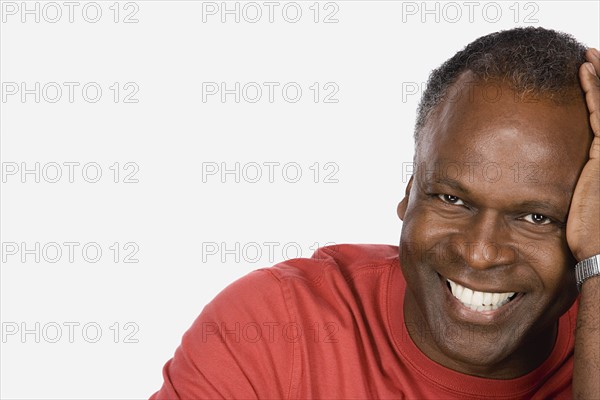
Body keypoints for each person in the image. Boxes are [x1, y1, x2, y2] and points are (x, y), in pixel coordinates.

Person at [150, 27, 600, 399]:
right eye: (452, 199)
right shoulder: (273, 330)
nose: (480, 253)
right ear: (409, 193)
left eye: (536, 218)